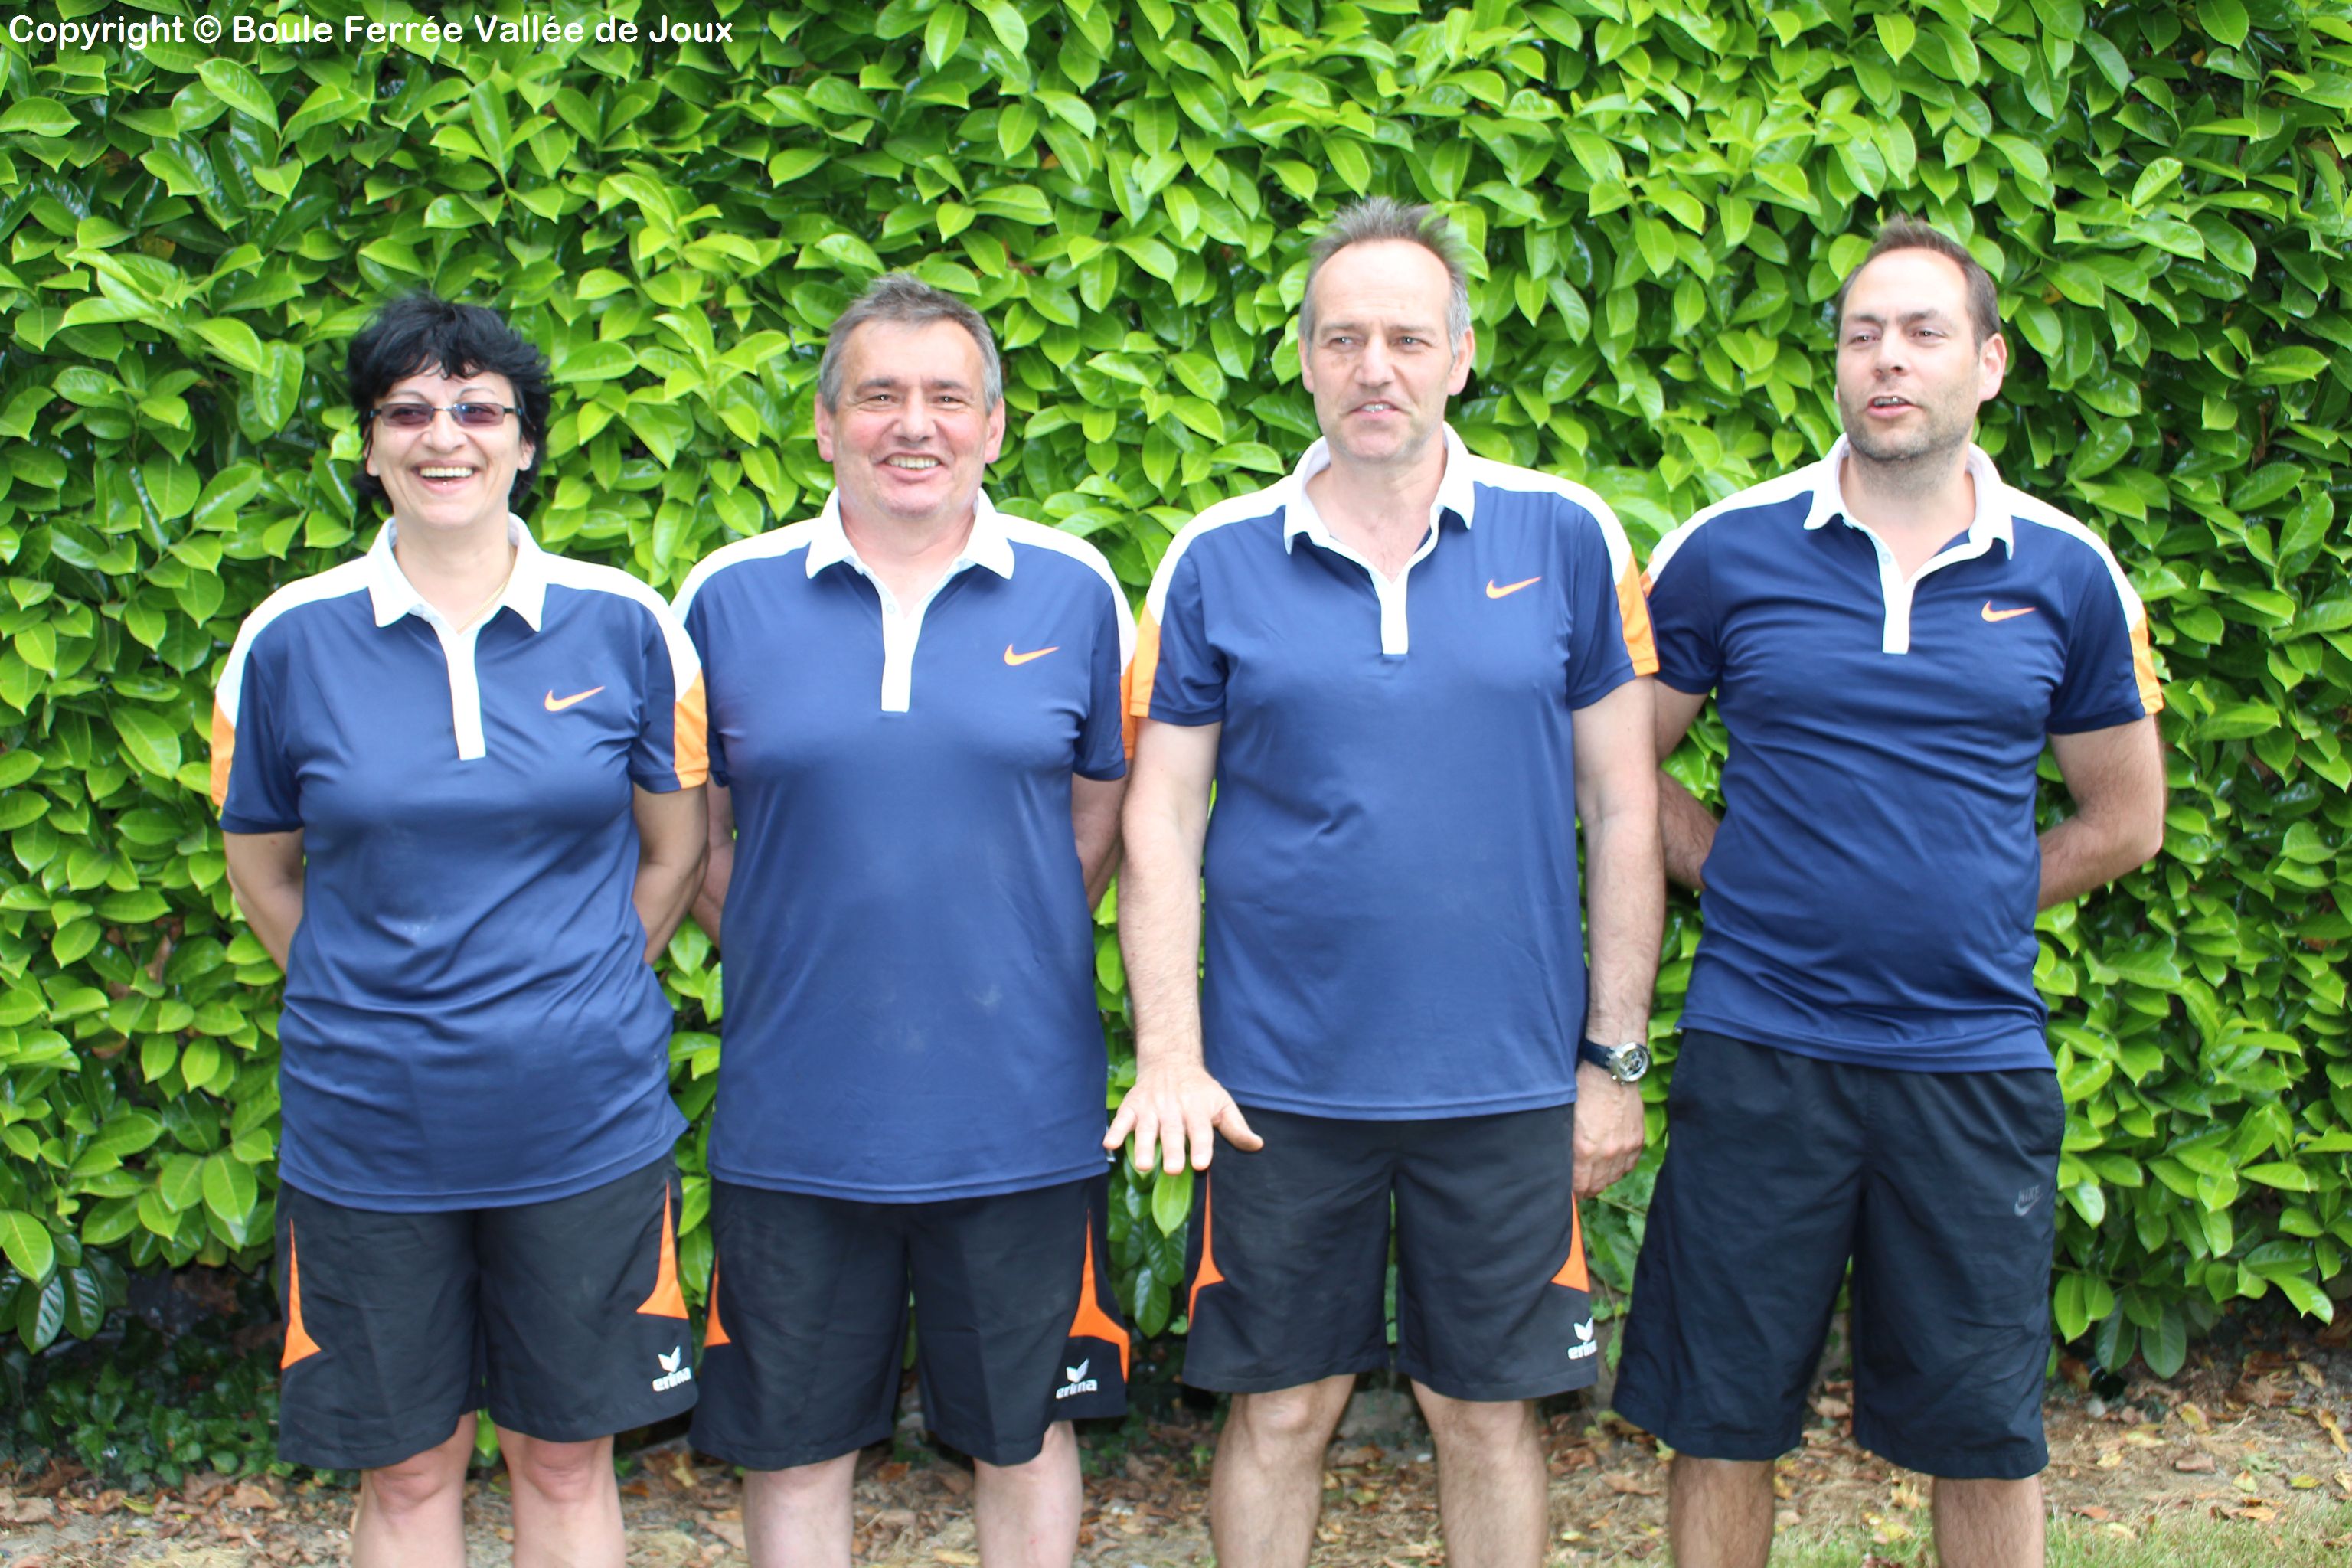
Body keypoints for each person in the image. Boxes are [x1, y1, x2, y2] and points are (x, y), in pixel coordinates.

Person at [1112, 198, 1664, 1568]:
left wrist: (1613, 1060)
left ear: (1461, 356)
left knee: (1485, 1414)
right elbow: (1161, 819)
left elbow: (1624, 808)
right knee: (1282, 1408)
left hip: (1505, 1082)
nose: (1376, 369)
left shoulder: (1567, 536)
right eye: (1344, 338)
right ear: (1304, 359)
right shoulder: (1217, 555)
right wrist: (1172, 1056)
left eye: (1408, 339)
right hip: (1278, 1091)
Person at [1612, 217, 2167, 1568]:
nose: (1889, 360)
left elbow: (2126, 821)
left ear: (1990, 362)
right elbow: (1619, 768)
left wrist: (1977, 899)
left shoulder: (2068, 571)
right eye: (1863, 334)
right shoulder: (1727, 550)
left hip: (1971, 1061)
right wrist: (1734, 871)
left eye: (1923, 332)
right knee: (1721, 1418)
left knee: (1985, 1430)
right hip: (1762, 1051)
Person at [214, 292, 710, 1568]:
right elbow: (263, 872)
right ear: (368, 446)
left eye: (480, 409)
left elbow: (673, 852)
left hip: (581, 1125)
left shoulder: (626, 623)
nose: (446, 436)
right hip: (369, 1134)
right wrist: (369, 999)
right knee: (409, 1469)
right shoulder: (285, 642)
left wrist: (577, 991)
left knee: (567, 1457)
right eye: (410, 411)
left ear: (527, 441)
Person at [675, 274, 1135, 1568]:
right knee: (794, 1446)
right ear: (827, 426)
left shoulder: (1076, 591)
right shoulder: (724, 598)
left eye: (947, 396)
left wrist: (1005, 940)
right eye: (878, 395)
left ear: (995, 425)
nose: (913, 424)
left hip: (1019, 1119)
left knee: (1024, 1436)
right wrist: (796, 947)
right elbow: (694, 840)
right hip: (799, 1120)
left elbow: (1101, 816)